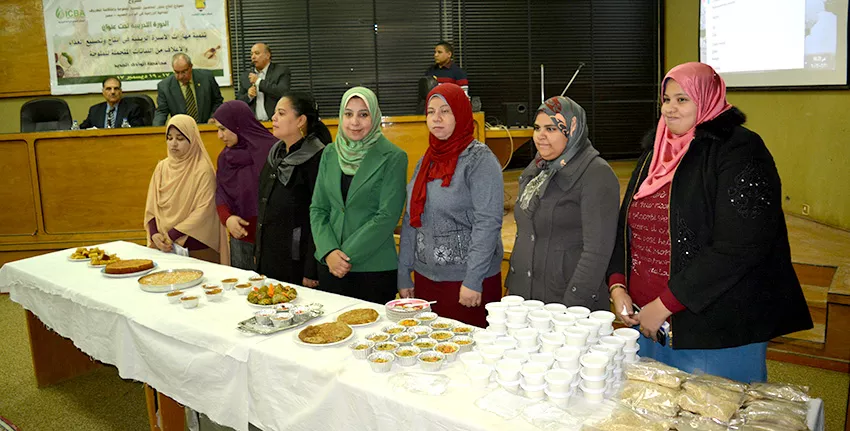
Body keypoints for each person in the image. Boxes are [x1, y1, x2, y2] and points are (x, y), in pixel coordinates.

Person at [606, 62, 813, 383]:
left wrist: (666, 303)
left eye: (682, 99)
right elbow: (627, 224)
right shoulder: (656, 151)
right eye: (666, 99)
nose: (671, 109)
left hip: (714, 327)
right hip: (649, 321)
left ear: (707, 99)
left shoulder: (739, 149)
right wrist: (618, 283)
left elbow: (742, 246)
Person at [397, 83, 503, 328]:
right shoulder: (427, 159)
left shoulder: (480, 160)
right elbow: (411, 217)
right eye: (431, 111)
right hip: (426, 280)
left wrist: (473, 280)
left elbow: (487, 224)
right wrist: (405, 273)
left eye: (445, 110)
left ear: (461, 113)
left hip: (467, 284)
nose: (437, 118)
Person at [506, 96, 619, 310]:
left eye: (551, 129)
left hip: (568, 306)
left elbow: (597, 252)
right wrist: (513, 288)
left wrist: (571, 307)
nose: (541, 136)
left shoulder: (596, 174)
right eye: (537, 128)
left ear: (573, 129)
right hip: (527, 300)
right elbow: (525, 235)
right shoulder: (537, 168)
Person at [310, 87, 408, 303]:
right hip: (328, 265)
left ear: (374, 117)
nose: (354, 122)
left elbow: (387, 216)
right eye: (348, 114)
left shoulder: (394, 157)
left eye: (363, 114)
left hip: (372, 269)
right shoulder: (329, 153)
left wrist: (342, 256)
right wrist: (329, 251)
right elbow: (318, 208)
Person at [255, 93, 331, 286]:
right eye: (274, 113)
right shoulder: (276, 153)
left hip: (298, 258)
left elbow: (321, 215)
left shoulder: (317, 157)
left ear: (300, 121)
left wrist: (311, 268)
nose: (273, 118)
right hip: (270, 253)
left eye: (281, 113)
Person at [144, 114, 220, 262]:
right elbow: (151, 207)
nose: (173, 144)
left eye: (180, 138)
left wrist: (171, 235)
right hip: (163, 244)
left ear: (192, 140)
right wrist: (154, 234)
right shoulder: (162, 167)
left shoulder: (202, 169)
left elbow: (204, 210)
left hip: (196, 246)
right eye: (169, 138)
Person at [211, 100, 277, 270]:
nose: (220, 135)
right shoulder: (225, 158)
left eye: (223, 129)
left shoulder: (273, 150)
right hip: (240, 235)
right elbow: (221, 193)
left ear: (238, 125)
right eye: (218, 129)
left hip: (273, 236)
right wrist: (228, 219)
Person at [153, 53, 224, 126]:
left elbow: (217, 101)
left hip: (206, 127)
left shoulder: (207, 78)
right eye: (177, 72)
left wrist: (213, 117)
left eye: (184, 72)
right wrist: (155, 131)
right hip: (181, 131)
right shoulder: (165, 86)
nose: (180, 76)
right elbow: (161, 112)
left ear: (191, 67)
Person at [236, 43, 291, 121]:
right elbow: (238, 102)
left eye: (257, 53)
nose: (253, 57)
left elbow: (283, 93)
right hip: (253, 124)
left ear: (267, 55)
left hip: (275, 122)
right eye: (251, 54)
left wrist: (258, 82)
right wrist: (248, 96)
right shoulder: (245, 76)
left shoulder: (281, 71)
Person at [79, 76, 145, 129]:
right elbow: (81, 129)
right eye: (108, 89)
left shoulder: (132, 109)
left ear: (121, 92)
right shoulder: (95, 110)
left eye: (116, 88)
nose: (113, 92)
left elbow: (138, 131)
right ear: (103, 92)